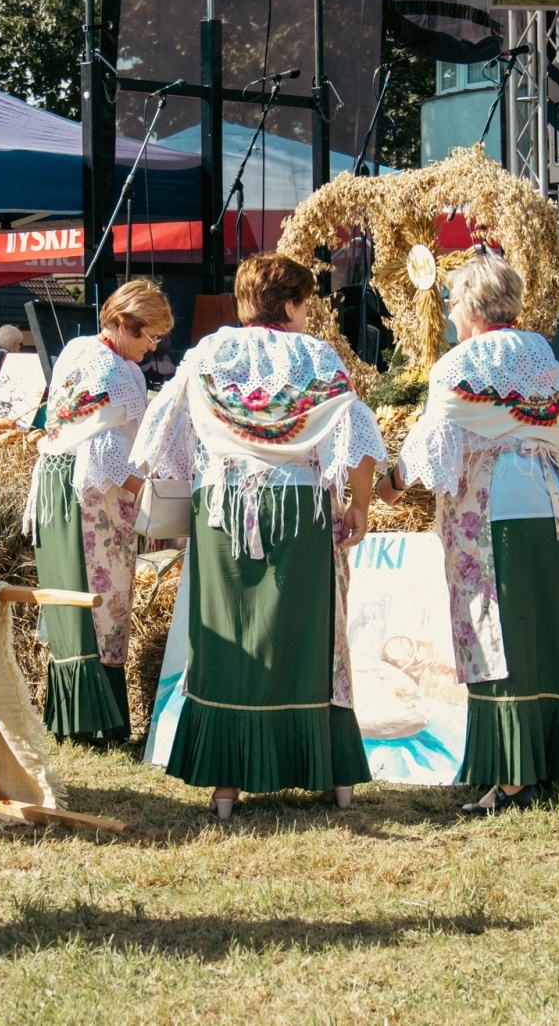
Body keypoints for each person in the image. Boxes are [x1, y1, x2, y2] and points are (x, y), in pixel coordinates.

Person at [131, 253, 386, 819]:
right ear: (291, 304)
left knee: (227, 639)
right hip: (298, 505)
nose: (306, 313)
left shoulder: (208, 353)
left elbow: (161, 430)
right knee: (310, 639)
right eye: (305, 303)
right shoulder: (317, 356)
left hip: (222, 505)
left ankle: (226, 786)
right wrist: (359, 505)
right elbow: (357, 433)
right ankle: (333, 775)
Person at [375, 254, 559, 815]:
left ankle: (513, 780)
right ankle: (554, 760)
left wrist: (391, 486)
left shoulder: (461, 364)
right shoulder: (541, 353)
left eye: (454, 302)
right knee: (546, 631)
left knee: (497, 632)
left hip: (497, 507)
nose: (450, 312)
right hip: (553, 505)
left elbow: (433, 440)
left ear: (474, 308)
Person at [23, 280, 173, 742]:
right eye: (150, 336)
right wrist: (152, 495)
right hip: (91, 494)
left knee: (72, 599)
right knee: (100, 601)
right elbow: (106, 451)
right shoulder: (116, 371)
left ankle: (75, 718)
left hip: (57, 485)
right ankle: (96, 722)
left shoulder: (76, 349)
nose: (152, 348)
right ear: (125, 324)